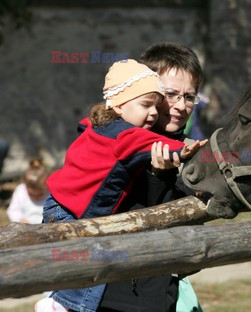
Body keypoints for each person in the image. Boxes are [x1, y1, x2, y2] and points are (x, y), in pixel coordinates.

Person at [36, 59, 205, 312]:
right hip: (77, 216)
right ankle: (63, 306)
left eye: (190, 96)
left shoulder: (101, 126)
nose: (156, 112)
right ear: (119, 103)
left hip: (63, 205)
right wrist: (184, 150)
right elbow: (143, 143)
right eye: (168, 95)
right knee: (94, 257)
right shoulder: (126, 134)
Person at [97, 43, 206, 312]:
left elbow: (189, 240)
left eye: (189, 97)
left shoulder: (190, 153)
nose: (181, 106)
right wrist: (157, 177)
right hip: (113, 296)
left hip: (162, 294)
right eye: (170, 94)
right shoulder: (114, 146)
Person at [7, 159, 49, 224]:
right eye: (32, 194)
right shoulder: (21, 191)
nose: (36, 197)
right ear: (26, 186)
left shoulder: (50, 192)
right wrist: (19, 220)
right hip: (26, 226)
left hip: (46, 225)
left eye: (40, 194)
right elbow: (13, 210)